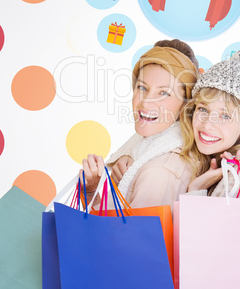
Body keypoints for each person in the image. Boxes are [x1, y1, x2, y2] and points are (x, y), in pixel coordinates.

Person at [81, 39, 201, 209]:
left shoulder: (160, 172)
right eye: (142, 88)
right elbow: (114, 227)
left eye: (164, 93)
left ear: (185, 105)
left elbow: (125, 236)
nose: (146, 103)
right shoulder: (140, 151)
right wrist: (91, 191)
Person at [180, 49, 240, 197]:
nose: (207, 124)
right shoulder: (212, 159)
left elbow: (202, 221)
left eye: (225, 116)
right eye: (203, 109)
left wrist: (196, 189)